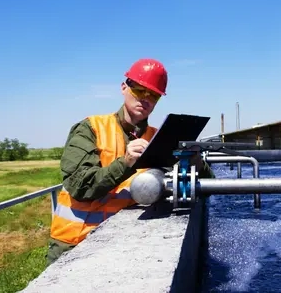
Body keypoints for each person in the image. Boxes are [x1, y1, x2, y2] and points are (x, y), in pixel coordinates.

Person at [46, 58, 215, 265]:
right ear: (124, 87)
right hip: (75, 244)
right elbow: (79, 185)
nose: (145, 99)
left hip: (124, 243)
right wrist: (124, 163)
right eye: (139, 90)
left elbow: (208, 187)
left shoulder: (157, 138)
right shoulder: (90, 128)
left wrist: (197, 163)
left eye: (153, 95)